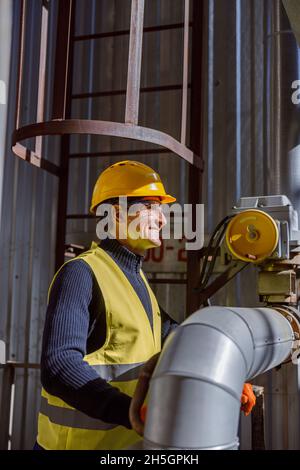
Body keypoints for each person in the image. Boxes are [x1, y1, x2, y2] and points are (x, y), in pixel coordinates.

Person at [35, 160, 255, 450]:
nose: (163, 219)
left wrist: (223, 371)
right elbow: (58, 366)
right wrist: (131, 412)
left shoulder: (134, 276)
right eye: (151, 206)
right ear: (116, 213)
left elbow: (172, 335)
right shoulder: (81, 273)